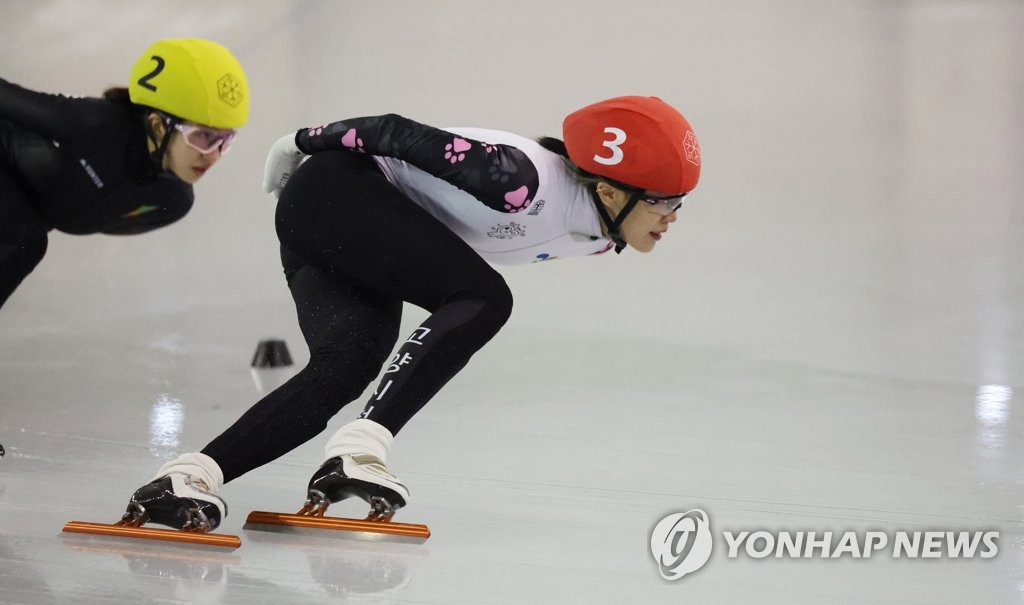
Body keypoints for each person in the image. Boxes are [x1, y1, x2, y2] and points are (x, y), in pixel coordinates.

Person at [123, 95, 702, 532]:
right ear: (608, 192)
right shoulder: (520, 180)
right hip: (335, 191)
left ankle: (188, 476)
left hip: (344, 230)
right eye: (664, 202)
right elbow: (396, 132)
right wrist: (300, 141)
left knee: (345, 368)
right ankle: (361, 449)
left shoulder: (602, 235)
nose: (673, 217)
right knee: (484, 297)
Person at [0, 38, 249, 308]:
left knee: (25, 240)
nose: (213, 154)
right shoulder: (92, 125)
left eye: (226, 140)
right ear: (157, 126)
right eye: (203, 136)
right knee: (24, 239)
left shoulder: (170, 201)